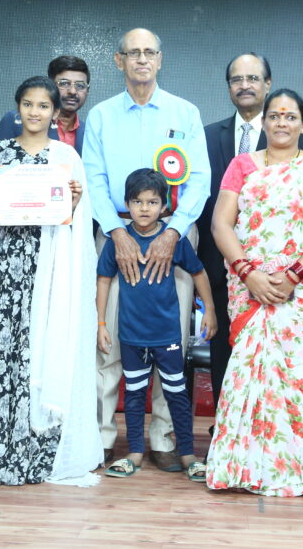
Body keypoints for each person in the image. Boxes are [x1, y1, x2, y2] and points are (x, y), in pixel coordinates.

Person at [0, 76, 102, 487]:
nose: (35, 112)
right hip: (3, 266)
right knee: (1, 345)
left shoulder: (65, 157)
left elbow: (74, 220)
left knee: (40, 346)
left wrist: (73, 200)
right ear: (18, 108)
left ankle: (36, 443)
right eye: (28, 104)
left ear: (55, 112)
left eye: (43, 106)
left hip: (48, 266)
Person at [206, 89, 303, 499]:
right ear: (263, 123)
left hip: (302, 290)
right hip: (251, 287)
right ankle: (240, 468)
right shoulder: (242, 166)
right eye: (275, 116)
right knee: (246, 378)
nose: (282, 122)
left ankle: (299, 471)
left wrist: (294, 275)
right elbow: (221, 224)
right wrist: (249, 274)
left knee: (299, 380)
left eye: (290, 116)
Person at [82, 28, 210, 471]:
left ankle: (163, 437)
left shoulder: (184, 112)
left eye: (149, 52)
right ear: (118, 60)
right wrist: (115, 231)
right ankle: (101, 437)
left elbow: (199, 180)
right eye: (132, 53)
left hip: (174, 235)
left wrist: (172, 232)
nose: (141, 59)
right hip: (116, 233)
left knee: (169, 339)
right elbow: (94, 178)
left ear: (160, 59)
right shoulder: (101, 115)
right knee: (108, 338)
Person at [198, 53, 303, 408]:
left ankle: (266, 426)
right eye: (237, 79)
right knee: (223, 347)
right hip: (220, 260)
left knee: (274, 352)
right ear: (228, 87)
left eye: (252, 78)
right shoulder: (206, 135)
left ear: (267, 84)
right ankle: (226, 426)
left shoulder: (288, 133)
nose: (244, 85)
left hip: (276, 270)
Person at [97, 168, 216, 481]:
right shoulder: (117, 242)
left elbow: (199, 273)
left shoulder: (173, 242)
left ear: (164, 207)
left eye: (152, 202)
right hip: (131, 336)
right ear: (127, 204)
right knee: (135, 394)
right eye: (137, 202)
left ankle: (188, 454)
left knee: (176, 393)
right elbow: (104, 280)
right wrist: (101, 323)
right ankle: (135, 452)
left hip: (167, 336)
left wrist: (209, 310)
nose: (144, 208)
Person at [0, 55, 89, 153]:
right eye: (64, 83)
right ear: (50, 85)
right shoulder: (16, 120)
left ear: (87, 90)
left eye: (80, 85)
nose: (73, 91)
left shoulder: (89, 131)